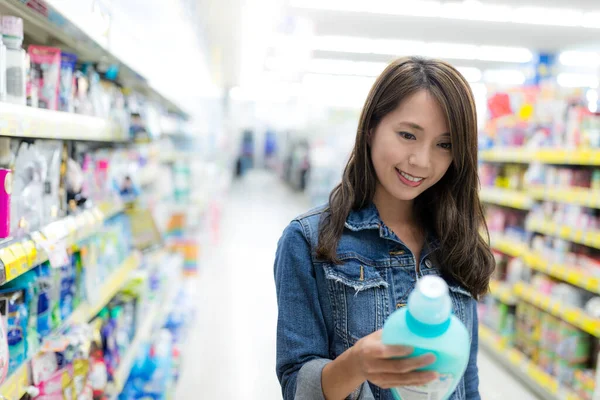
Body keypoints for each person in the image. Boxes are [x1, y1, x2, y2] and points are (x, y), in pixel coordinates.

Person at [274, 57, 495, 400]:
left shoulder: (456, 240)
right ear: (371, 128)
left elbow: (466, 380)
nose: (421, 160)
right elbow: (296, 386)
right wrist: (357, 363)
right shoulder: (308, 240)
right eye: (408, 135)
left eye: (444, 144)